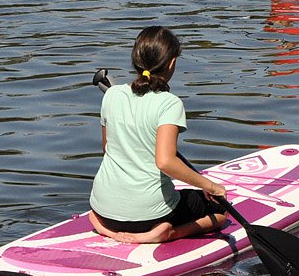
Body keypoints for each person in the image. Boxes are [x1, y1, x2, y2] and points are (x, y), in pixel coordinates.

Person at [88, 26, 228, 244]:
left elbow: (108, 148)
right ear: (172, 63)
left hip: (103, 208)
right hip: (149, 216)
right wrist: (209, 186)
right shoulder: (169, 103)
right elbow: (165, 162)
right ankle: (168, 233)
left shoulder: (112, 95)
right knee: (219, 211)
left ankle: (108, 230)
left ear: (135, 60)